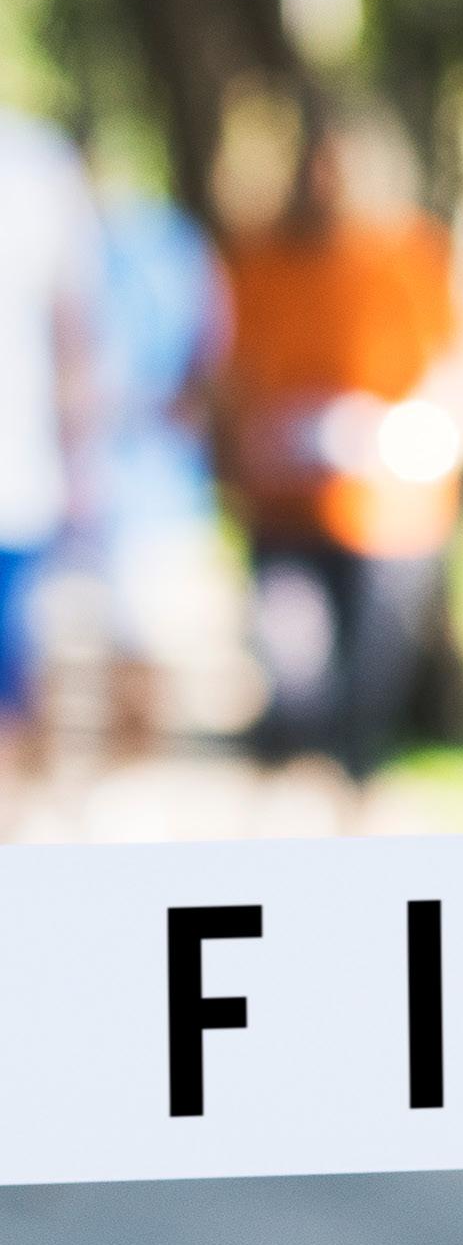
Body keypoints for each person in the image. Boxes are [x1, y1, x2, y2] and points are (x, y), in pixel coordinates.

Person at [219, 109, 463, 787]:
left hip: (392, 519)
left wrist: (416, 435)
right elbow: (228, 382)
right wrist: (252, 440)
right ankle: (300, 801)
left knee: (365, 704)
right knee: (293, 682)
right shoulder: (260, 263)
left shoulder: (415, 257)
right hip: (286, 510)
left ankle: (354, 809)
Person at [95, 174, 231, 755]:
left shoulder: (176, 248)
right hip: (103, 487)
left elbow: (210, 364)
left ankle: (133, 762)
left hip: (157, 487)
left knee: (149, 639)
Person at [0, 109, 100, 807]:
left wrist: (80, 459)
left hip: (16, 475)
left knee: (13, 675)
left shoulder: (37, 164)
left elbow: (74, 327)